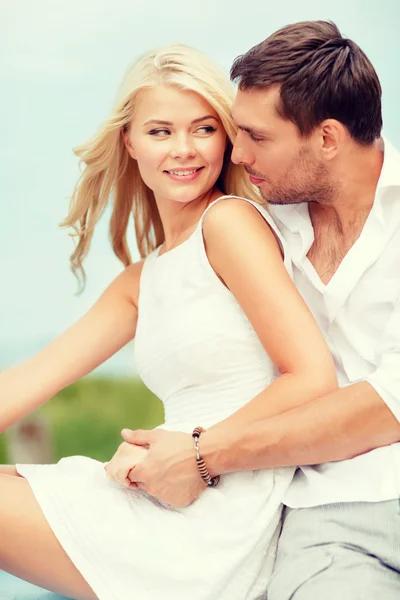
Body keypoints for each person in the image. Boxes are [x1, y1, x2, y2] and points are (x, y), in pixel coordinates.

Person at [0, 45, 337, 600]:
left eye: (203, 128)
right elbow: (33, 378)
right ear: (128, 142)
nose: (184, 149)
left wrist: (196, 452)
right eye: (160, 131)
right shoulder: (142, 280)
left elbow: (311, 377)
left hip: (219, 506)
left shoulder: (228, 224)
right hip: (165, 486)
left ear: (225, 138)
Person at [119, 20, 400, 599]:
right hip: (333, 520)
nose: (237, 154)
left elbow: (387, 408)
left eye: (257, 137)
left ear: (326, 139)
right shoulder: (258, 229)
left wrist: (199, 454)